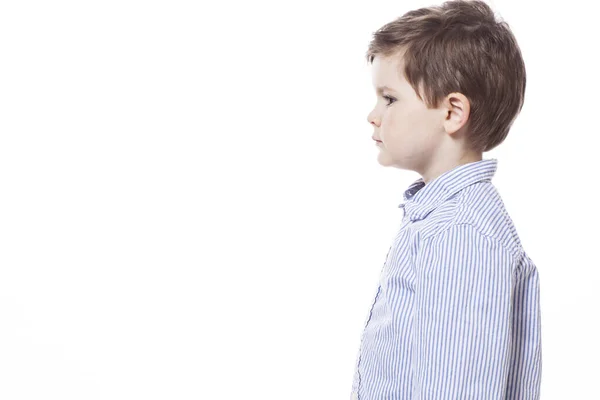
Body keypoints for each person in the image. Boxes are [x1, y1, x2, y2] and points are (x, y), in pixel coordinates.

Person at [350, 1, 542, 399]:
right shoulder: (441, 220)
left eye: (389, 98)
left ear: (453, 112)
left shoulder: (461, 233)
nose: (373, 114)